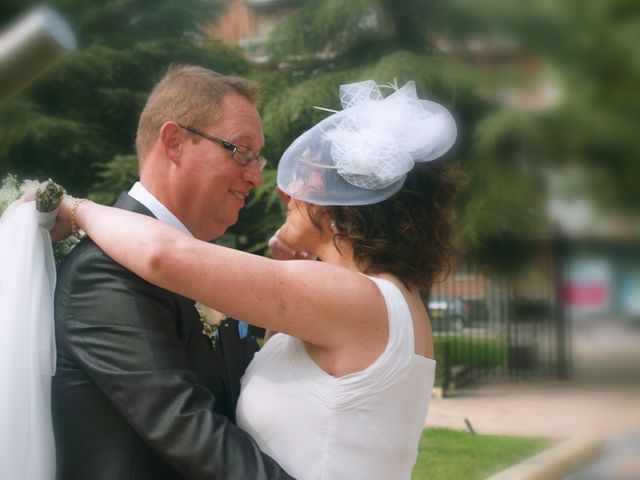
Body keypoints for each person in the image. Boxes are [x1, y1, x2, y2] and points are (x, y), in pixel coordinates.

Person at [51, 79, 460, 479]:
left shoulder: (348, 298)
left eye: (308, 175)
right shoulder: (387, 300)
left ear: (346, 203)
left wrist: (76, 210)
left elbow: (163, 254)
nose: (281, 189)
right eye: (242, 152)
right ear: (174, 142)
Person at [51, 65, 294, 479]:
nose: (255, 176)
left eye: (258, 158)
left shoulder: (201, 263)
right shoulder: (105, 273)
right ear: (174, 142)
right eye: (241, 151)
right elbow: (191, 431)